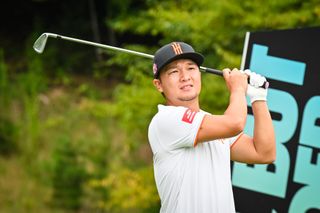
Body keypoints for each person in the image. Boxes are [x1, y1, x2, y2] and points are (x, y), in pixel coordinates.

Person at [147, 41, 276, 213]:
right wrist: (238, 89)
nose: (185, 76)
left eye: (191, 68)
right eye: (173, 71)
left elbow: (264, 153)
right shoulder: (165, 119)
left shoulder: (210, 123)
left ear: (199, 74)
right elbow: (235, 123)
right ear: (159, 85)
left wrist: (258, 98)